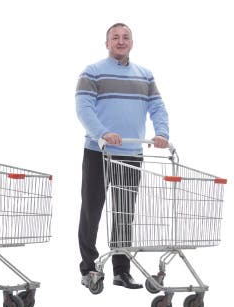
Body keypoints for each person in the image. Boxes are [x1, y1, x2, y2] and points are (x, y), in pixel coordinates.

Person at [76, 23, 169, 289]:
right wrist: (103, 133)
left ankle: (121, 271)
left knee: (124, 213)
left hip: (131, 153)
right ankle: (89, 268)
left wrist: (161, 133)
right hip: (99, 153)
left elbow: (157, 107)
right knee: (92, 210)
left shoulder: (145, 76)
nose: (120, 41)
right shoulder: (92, 72)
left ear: (132, 42)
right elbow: (83, 108)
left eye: (125, 37)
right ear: (106, 43)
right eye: (115, 37)